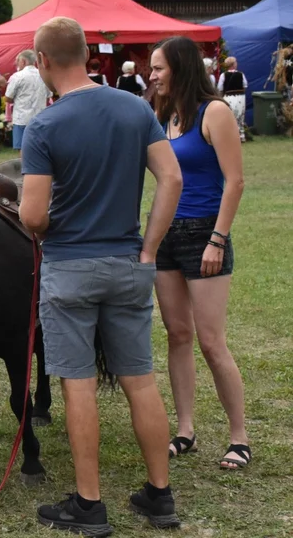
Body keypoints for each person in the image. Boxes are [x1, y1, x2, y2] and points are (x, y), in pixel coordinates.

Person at [20, 17, 184, 535]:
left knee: (79, 387)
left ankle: (89, 505)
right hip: (129, 263)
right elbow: (171, 178)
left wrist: (49, 221)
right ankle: (160, 495)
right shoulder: (134, 107)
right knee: (142, 381)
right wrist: (150, 248)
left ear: (43, 61)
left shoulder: (45, 125)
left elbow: (31, 217)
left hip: (70, 266)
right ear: (88, 53)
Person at [150, 37, 250, 471]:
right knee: (178, 335)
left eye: (158, 68)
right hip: (166, 235)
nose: (152, 76)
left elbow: (235, 181)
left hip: (204, 234)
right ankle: (186, 429)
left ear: (180, 67)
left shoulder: (216, 111)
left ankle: (239, 437)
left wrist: (218, 239)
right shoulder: (162, 116)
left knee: (211, 342)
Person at [5, 49, 51, 151]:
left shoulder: (17, 76)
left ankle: (25, 166)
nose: (17, 64)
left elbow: (8, 97)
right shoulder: (43, 75)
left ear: (23, 61)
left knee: (23, 148)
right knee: (39, 148)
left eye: (18, 61)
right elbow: (48, 96)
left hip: (22, 118)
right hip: (39, 117)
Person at [217, 56, 247, 143]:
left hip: (228, 97)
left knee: (230, 116)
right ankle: (241, 136)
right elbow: (245, 86)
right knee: (240, 116)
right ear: (233, 64)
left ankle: (230, 136)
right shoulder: (241, 74)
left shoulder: (223, 75)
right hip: (240, 97)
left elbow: (220, 88)